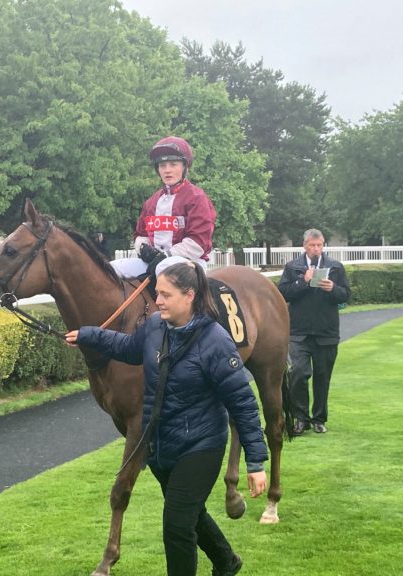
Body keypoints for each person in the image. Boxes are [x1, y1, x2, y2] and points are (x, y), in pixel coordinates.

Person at [65, 262, 267, 576]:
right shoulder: (155, 326)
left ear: (190, 296)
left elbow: (243, 403)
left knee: (176, 526)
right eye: (157, 292)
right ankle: (227, 561)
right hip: (160, 445)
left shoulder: (215, 340)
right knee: (191, 513)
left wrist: (255, 463)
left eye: (165, 294)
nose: (157, 300)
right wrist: (90, 336)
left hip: (201, 446)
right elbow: (129, 347)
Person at [110, 136, 217, 281]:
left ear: (185, 167)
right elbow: (141, 234)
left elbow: (198, 242)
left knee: (162, 269)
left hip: (190, 263)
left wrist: (166, 255)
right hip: (155, 262)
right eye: (162, 165)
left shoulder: (197, 198)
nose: (167, 170)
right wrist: (143, 248)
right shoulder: (151, 202)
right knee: (110, 269)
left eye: (173, 164)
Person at [278, 229, 351, 435]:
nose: (316, 249)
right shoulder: (293, 268)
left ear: (323, 245)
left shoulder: (335, 268)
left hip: (326, 332)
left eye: (319, 245)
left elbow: (346, 294)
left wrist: (333, 289)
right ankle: (301, 418)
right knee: (298, 373)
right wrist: (303, 282)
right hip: (298, 332)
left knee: (322, 376)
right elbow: (283, 293)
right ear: (305, 245)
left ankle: (319, 418)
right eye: (312, 245)